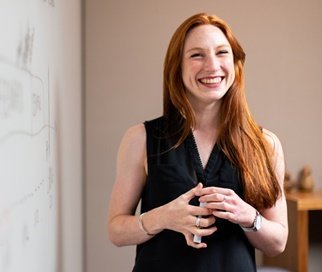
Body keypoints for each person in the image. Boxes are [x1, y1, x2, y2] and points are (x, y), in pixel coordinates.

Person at [107, 12, 288, 271]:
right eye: (197, 55)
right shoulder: (140, 139)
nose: (212, 66)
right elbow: (115, 230)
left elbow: (278, 243)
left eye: (222, 53)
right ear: (176, 67)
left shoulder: (266, 144)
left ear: (236, 63)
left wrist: (249, 217)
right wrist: (162, 217)